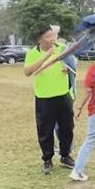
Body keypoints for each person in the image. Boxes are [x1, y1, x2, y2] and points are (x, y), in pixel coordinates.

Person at [24, 25, 75, 174]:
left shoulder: (62, 48)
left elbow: (72, 63)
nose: (52, 39)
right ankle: (47, 159)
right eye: (48, 37)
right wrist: (46, 56)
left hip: (63, 95)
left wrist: (68, 68)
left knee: (67, 127)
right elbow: (28, 72)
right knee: (45, 129)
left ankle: (66, 156)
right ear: (39, 39)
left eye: (53, 36)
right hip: (44, 97)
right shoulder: (33, 53)